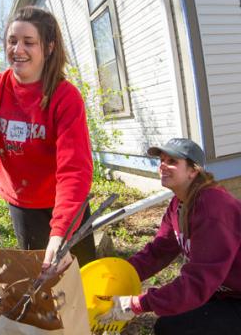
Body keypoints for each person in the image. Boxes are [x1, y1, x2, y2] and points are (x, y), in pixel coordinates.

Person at [0, 6, 95, 272]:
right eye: (12, 41)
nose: (17, 50)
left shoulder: (65, 97)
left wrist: (61, 232)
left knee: (82, 278)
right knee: (41, 282)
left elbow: (74, 169)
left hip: (66, 202)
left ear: (49, 47)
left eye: (29, 42)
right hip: (24, 203)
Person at [97, 138, 241, 335]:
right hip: (223, 291)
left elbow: (197, 282)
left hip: (234, 296)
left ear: (193, 170)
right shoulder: (178, 204)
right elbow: (158, 251)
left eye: (172, 161)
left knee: (172, 328)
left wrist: (137, 304)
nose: (163, 165)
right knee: (171, 323)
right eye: (161, 160)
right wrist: (118, 277)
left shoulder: (212, 208)